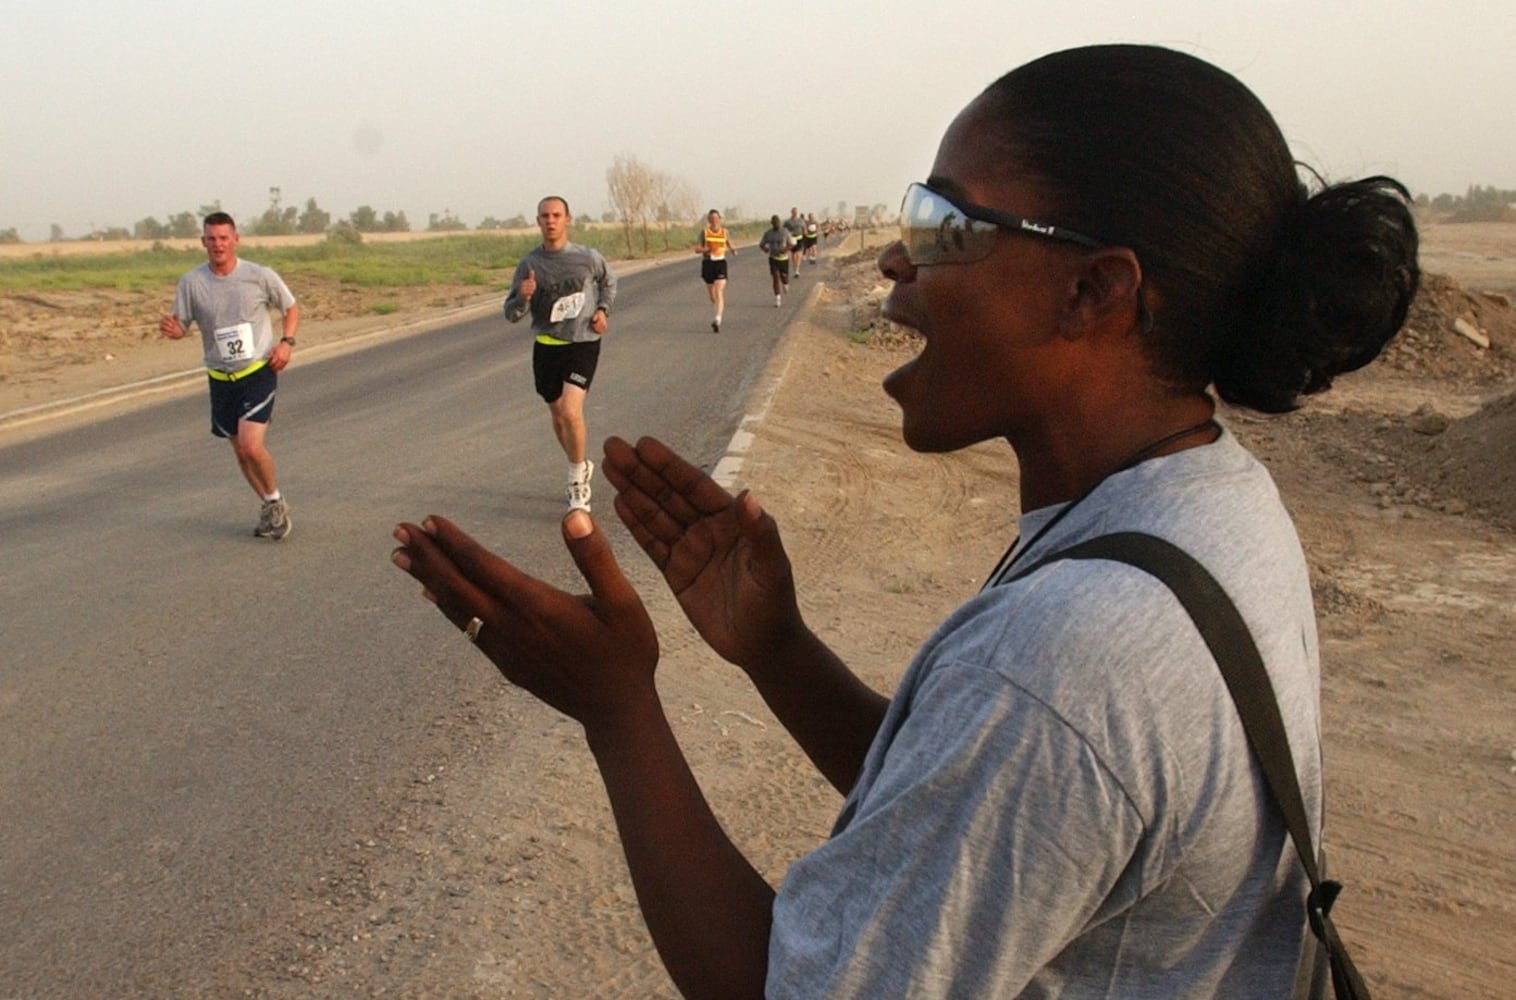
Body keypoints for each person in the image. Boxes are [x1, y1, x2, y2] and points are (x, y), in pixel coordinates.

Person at [392, 43, 1417, 998]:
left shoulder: (1071, 650)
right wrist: (778, 648)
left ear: (1091, 290)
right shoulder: (1206, 498)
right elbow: (1003, 804)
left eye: (944, 226)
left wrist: (616, 710)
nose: (893, 259)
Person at [160, 211, 300, 540]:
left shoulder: (259, 275)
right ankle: (269, 504)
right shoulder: (191, 283)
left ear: (236, 239)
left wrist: (286, 343)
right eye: (211, 239)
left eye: (224, 238)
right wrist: (173, 329)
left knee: (251, 446)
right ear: (203, 242)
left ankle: (276, 502)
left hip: (257, 370)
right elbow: (182, 325)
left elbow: (290, 307)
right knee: (239, 451)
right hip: (220, 377)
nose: (218, 244)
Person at [503, 195, 617, 512]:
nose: (550, 221)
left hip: (583, 343)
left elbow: (609, 282)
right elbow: (511, 314)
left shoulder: (587, 258)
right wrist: (523, 299)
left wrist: (604, 310)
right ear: (538, 221)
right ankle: (579, 461)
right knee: (558, 418)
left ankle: (576, 482)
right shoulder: (529, 264)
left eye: (556, 215)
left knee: (570, 412)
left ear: (568, 219)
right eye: (545, 216)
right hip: (547, 347)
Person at [695, 209, 736, 332]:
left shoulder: (725, 232)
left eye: (716, 218)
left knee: (719, 291)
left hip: (720, 263)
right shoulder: (704, 232)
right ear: (708, 220)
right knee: (712, 295)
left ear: (720, 219)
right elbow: (697, 249)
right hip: (708, 263)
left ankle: (718, 319)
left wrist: (733, 250)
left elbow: (729, 243)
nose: (714, 221)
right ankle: (717, 308)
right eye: (712, 219)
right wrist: (705, 250)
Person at [758, 214, 795, 307]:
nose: (776, 224)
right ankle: (777, 298)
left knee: (783, 277)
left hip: (783, 258)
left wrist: (785, 249)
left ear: (780, 222)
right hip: (773, 258)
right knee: (775, 277)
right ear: (772, 223)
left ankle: (785, 283)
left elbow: (791, 244)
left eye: (777, 222)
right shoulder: (768, 233)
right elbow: (761, 244)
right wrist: (765, 249)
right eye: (774, 222)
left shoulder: (785, 232)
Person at [782, 207, 805, 278]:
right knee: (794, 255)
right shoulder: (787, 222)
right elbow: (784, 230)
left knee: (799, 254)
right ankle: (795, 268)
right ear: (791, 212)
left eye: (796, 212)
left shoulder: (801, 220)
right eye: (793, 212)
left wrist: (805, 234)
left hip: (800, 238)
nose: (795, 213)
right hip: (792, 239)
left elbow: (804, 228)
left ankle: (797, 270)